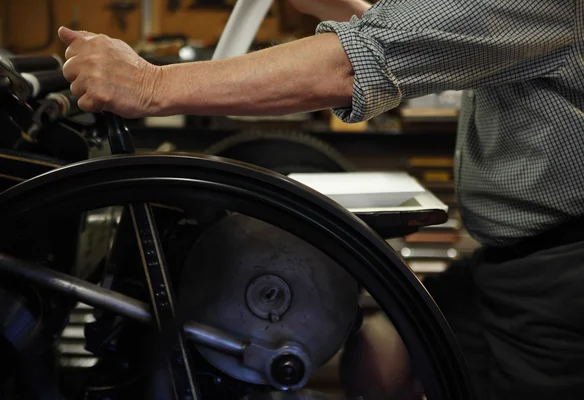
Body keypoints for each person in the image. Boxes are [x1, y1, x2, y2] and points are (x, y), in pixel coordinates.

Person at [57, 0, 584, 399]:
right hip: (511, 259)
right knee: (392, 351)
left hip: (561, 273)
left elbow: (356, 63)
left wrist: (150, 85)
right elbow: (436, 36)